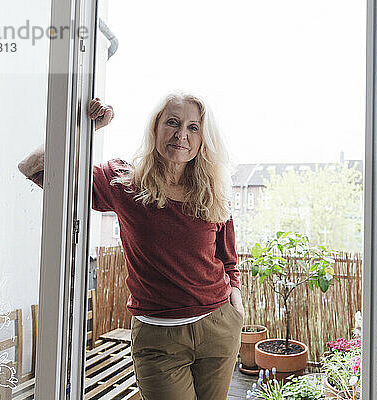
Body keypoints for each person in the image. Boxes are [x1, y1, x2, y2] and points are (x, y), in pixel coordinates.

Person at [18, 92, 245, 400]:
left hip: (218, 328)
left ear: (204, 138)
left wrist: (236, 303)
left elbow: (227, 259)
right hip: (159, 338)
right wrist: (85, 128)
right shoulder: (124, 181)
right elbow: (33, 167)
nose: (181, 135)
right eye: (173, 123)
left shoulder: (213, 190)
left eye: (193, 127)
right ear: (155, 128)